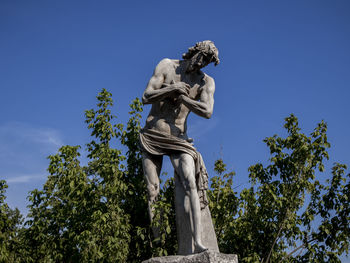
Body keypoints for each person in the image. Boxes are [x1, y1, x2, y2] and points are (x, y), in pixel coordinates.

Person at [139, 40, 219, 253]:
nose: (201, 64)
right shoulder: (166, 65)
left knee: (190, 180)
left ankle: (198, 242)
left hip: (178, 138)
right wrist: (171, 88)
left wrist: (184, 97)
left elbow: (207, 111)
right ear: (194, 52)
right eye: (201, 57)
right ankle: (158, 246)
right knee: (152, 190)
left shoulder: (205, 82)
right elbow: (146, 96)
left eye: (207, 62)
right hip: (152, 134)